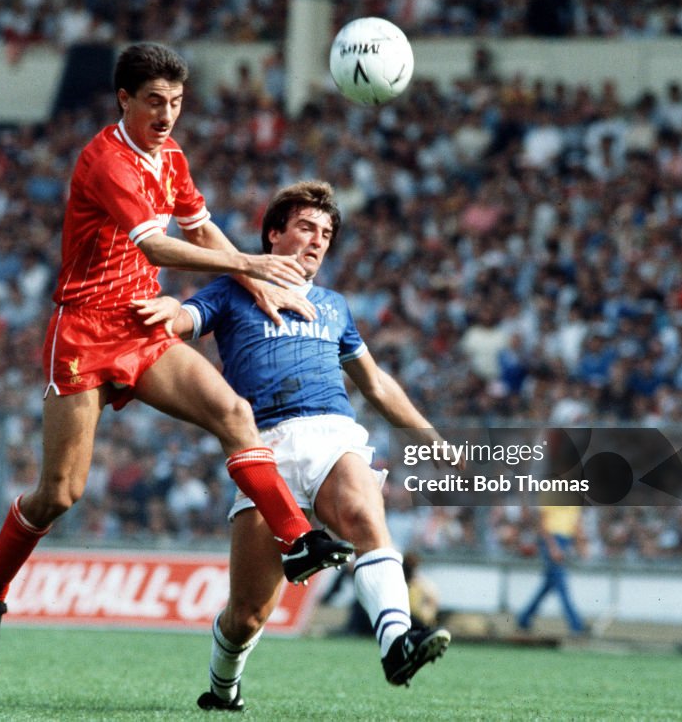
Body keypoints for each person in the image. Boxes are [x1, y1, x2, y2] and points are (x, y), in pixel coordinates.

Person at [0, 44, 352, 667]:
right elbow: (159, 247)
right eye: (155, 102)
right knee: (60, 493)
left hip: (144, 324)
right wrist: (248, 262)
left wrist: (258, 285)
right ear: (125, 99)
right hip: (85, 331)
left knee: (234, 414)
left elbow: (198, 228)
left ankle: (298, 537)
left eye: (175, 102)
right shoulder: (105, 161)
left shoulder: (171, 155)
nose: (167, 114)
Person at [135, 180, 452, 710]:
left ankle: (397, 641)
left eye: (326, 233)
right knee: (248, 616)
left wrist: (429, 436)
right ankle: (222, 688)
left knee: (364, 516)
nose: (317, 240)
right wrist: (172, 311)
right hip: (261, 448)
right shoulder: (234, 287)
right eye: (306, 227)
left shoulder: (334, 305)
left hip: (331, 432)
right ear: (274, 233)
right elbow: (188, 320)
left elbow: (373, 383)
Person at [516, 505, 586, 636]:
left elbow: (575, 524)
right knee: (561, 585)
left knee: (548, 585)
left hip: (565, 541)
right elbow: (542, 524)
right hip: (553, 540)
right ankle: (576, 624)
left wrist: (580, 545)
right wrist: (553, 547)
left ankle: (524, 619)